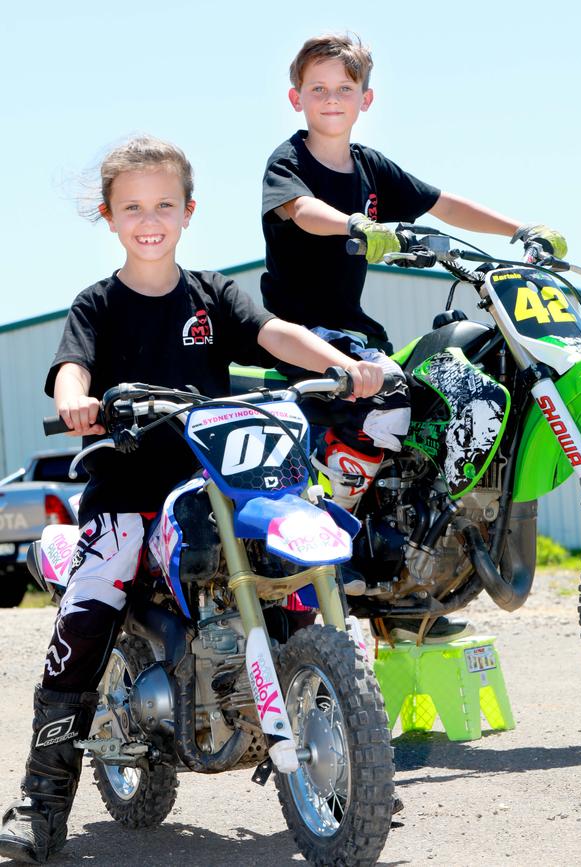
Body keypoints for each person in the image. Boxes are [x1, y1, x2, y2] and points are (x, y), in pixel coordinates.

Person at [0, 134, 387, 865]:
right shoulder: (100, 303)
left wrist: (344, 363)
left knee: (299, 588)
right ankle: (41, 797)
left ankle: (353, 758)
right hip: (128, 494)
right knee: (90, 605)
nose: (151, 219)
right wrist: (79, 401)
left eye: (165, 205)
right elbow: (70, 368)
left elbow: (274, 333)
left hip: (213, 487)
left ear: (189, 210)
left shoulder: (213, 293)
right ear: (111, 217)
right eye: (134, 206)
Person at [260, 31, 568, 623]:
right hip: (302, 332)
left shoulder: (371, 168)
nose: (331, 98)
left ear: (365, 100)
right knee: (387, 394)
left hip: (356, 332)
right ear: (296, 97)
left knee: (434, 395)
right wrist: (357, 224)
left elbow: (441, 203)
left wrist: (518, 230)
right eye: (318, 88)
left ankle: (409, 560)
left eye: (344, 89)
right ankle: (334, 539)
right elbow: (299, 210)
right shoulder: (289, 161)